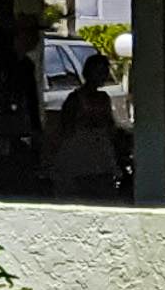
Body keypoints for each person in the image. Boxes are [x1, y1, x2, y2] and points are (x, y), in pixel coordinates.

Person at [47, 51, 127, 195]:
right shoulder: (75, 98)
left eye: (104, 71)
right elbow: (66, 127)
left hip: (101, 153)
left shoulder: (104, 98)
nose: (102, 75)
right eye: (99, 71)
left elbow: (109, 125)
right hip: (79, 153)